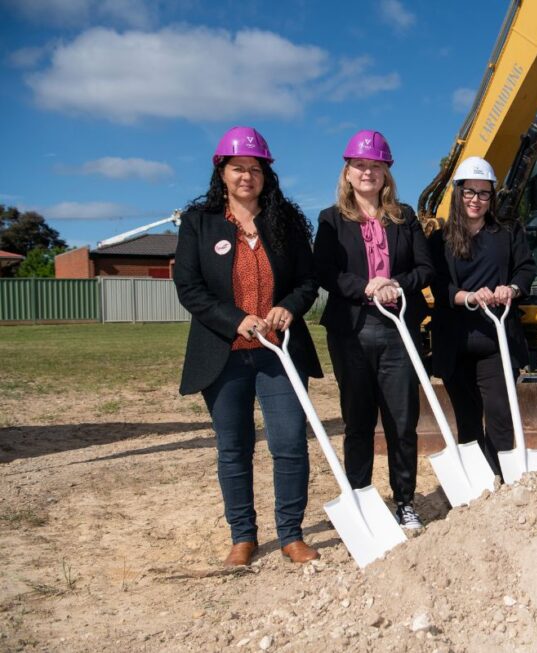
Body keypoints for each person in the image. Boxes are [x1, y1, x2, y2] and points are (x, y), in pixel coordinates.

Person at [174, 126, 323, 566]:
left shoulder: (287, 222)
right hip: (224, 356)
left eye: (254, 169)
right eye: (237, 168)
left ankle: (291, 534)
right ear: (221, 171)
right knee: (234, 448)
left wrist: (289, 308)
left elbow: (308, 280)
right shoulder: (199, 223)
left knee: (290, 442)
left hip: (279, 353)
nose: (246, 177)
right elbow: (189, 287)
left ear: (266, 174)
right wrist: (236, 320)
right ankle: (243, 537)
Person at [313, 130, 434, 530]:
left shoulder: (405, 217)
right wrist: (364, 286)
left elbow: (425, 268)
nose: (368, 172)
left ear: (386, 174)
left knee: (402, 421)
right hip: (352, 330)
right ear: (347, 173)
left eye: (376, 166)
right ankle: (360, 498)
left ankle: (405, 501)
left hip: (399, 331)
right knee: (358, 421)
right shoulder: (331, 220)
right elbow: (325, 272)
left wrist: (395, 284)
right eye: (360, 165)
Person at [427, 156, 536, 477]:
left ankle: (500, 480)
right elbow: (438, 284)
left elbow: (526, 268)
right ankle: (477, 483)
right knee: (468, 420)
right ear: (457, 194)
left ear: (493, 196)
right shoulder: (440, 238)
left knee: (501, 416)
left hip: (496, 340)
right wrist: (469, 297)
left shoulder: (508, 233)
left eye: (484, 193)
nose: (476, 200)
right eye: (469, 192)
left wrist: (512, 289)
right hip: (455, 341)